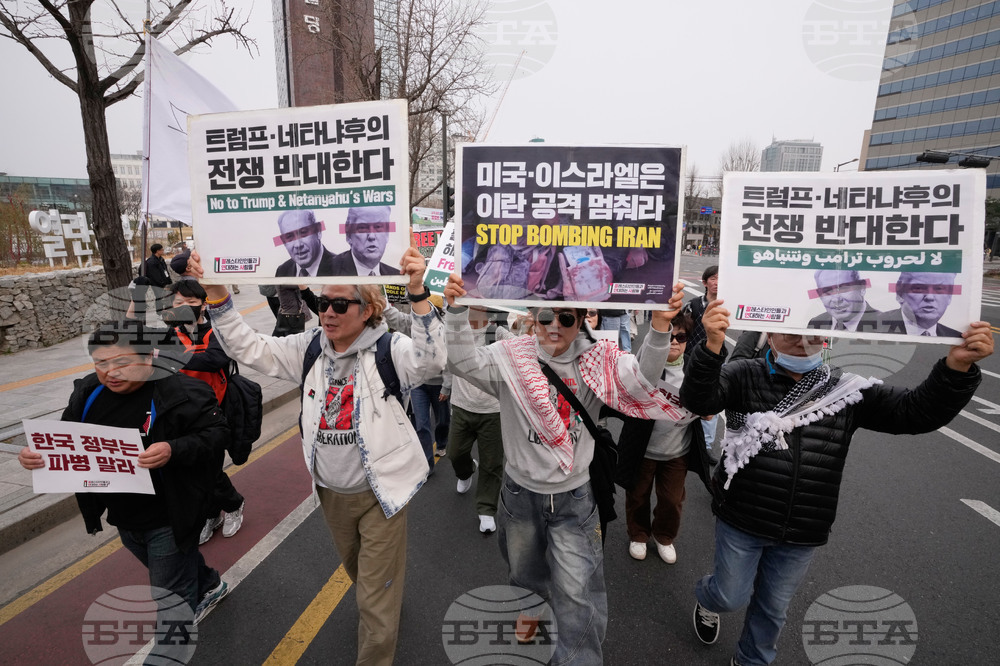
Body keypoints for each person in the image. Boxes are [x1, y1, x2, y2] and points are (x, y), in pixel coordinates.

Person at [680, 298, 992, 666]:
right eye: (791, 332)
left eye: (811, 333)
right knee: (729, 595)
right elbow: (698, 400)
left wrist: (956, 368)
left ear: (825, 339)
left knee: (772, 610)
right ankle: (708, 596)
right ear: (770, 335)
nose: (801, 341)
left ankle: (751, 661)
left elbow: (914, 413)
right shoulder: (743, 374)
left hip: (803, 528)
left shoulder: (845, 390)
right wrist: (713, 345)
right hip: (742, 517)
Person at [187, 246, 443, 666]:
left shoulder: (389, 348)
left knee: (374, 611)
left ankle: (379, 628)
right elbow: (249, 348)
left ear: (368, 309)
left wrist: (418, 294)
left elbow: (431, 361)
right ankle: (384, 593)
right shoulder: (308, 348)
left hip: (382, 494)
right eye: (324, 303)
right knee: (363, 576)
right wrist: (217, 296)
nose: (328, 312)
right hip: (329, 492)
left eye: (340, 304)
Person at [443, 273, 687, 666]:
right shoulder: (509, 359)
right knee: (525, 577)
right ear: (531, 317)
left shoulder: (598, 361)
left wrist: (659, 327)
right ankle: (531, 614)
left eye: (566, 319)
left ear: (582, 321)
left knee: (577, 596)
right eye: (544, 317)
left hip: (574, 499)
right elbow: (461, 361)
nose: (554, 326)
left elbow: (642, 379)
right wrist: (454, 311)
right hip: (520, 495)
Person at [17, 320, 231, 625]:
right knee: (174, 566)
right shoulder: (89, 392)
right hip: (122, 515)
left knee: (169, 595)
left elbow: (218, 433)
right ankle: (208, 583)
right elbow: (64, 436)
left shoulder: (183, 392)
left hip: (171, 513)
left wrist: (174, 449)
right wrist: (37, 455)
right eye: (100, 363)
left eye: (121, 362)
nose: (110, 372)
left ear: (148, 358)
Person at [159, 281, 247, 544]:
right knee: (193, 468)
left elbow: (214, 360)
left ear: (203, 303)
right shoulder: (171, 333)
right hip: (181, 412)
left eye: (189, 302)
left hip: (214, 412)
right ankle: (212, 514)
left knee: (209, 468)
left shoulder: (217, 331)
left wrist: (171, 358)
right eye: (177, 304)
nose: (183, 308)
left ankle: (232, 505)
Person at [621, 312, 704, 565]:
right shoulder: (643, 363)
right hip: (643, 448)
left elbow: (709, 396)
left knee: (672, 499)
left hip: (677, 450)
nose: (675, 342)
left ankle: (664, 536)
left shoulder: (694, 367)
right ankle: (638, 534)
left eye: (681, 336)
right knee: (638, 495)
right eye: (670, 335)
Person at [447, 307, 506, 534]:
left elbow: (528, 347)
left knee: (492, 463)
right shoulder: (454, 330)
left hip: (493, 409)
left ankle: (486, 508)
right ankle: (467, 470)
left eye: (478, 303)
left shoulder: (497, 333)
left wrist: (531, 325)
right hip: (462, 405)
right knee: (454, 452)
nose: (473, 307)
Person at [682, 264, 720, 450]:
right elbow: (682, 329)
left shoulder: (725, 306)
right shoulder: (693, 305)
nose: (717, 283)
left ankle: (706, 446)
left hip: (714, 360)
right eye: (713, 278)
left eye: (720, 279)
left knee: (711, 404)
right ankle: (683, 440)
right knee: (685, 398)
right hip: (689, 358)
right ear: (704, 282)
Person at [879, 272, 962, 337]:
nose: (929, 297)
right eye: (919, 288)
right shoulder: (871, 328)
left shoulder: (957, 339)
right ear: (899, 293)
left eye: (939, 289)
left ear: (950, 296)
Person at [330, 206, 400, 276]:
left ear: (387, 234)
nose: (371, 236)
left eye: (378, 227)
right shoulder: (328, 269)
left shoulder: (398, 275)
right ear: (348, 235)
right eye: (363, 228)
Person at [806, 269, 882, 333]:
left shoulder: (885, 326)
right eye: (827, 292)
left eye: (843, 289)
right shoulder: (815, 324)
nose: (836, 300)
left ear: (862, 288)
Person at [274, 209, 337, 278]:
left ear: (318, 231)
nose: (298, 245)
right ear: (284, 242)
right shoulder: (282, 272)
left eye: (303, 232)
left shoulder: (341, 268)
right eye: (289, 236)